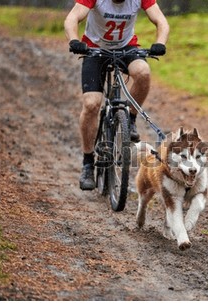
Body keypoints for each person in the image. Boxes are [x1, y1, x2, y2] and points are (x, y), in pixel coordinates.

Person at [64, 0, 169, 191]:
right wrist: (74, 40)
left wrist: (160, 43)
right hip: (94, 49)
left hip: (126, 48)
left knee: (143, 73)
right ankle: (88, 163)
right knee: (91, 104)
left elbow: (161, 20)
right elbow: (73, 17)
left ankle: (129, 119)